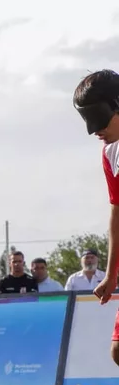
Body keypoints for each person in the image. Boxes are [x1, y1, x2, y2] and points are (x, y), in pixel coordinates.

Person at [74, 69, 119, 367]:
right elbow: (117, 211)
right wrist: (111, 274)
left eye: (98, 118)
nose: (93, 130)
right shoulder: (110, 152)